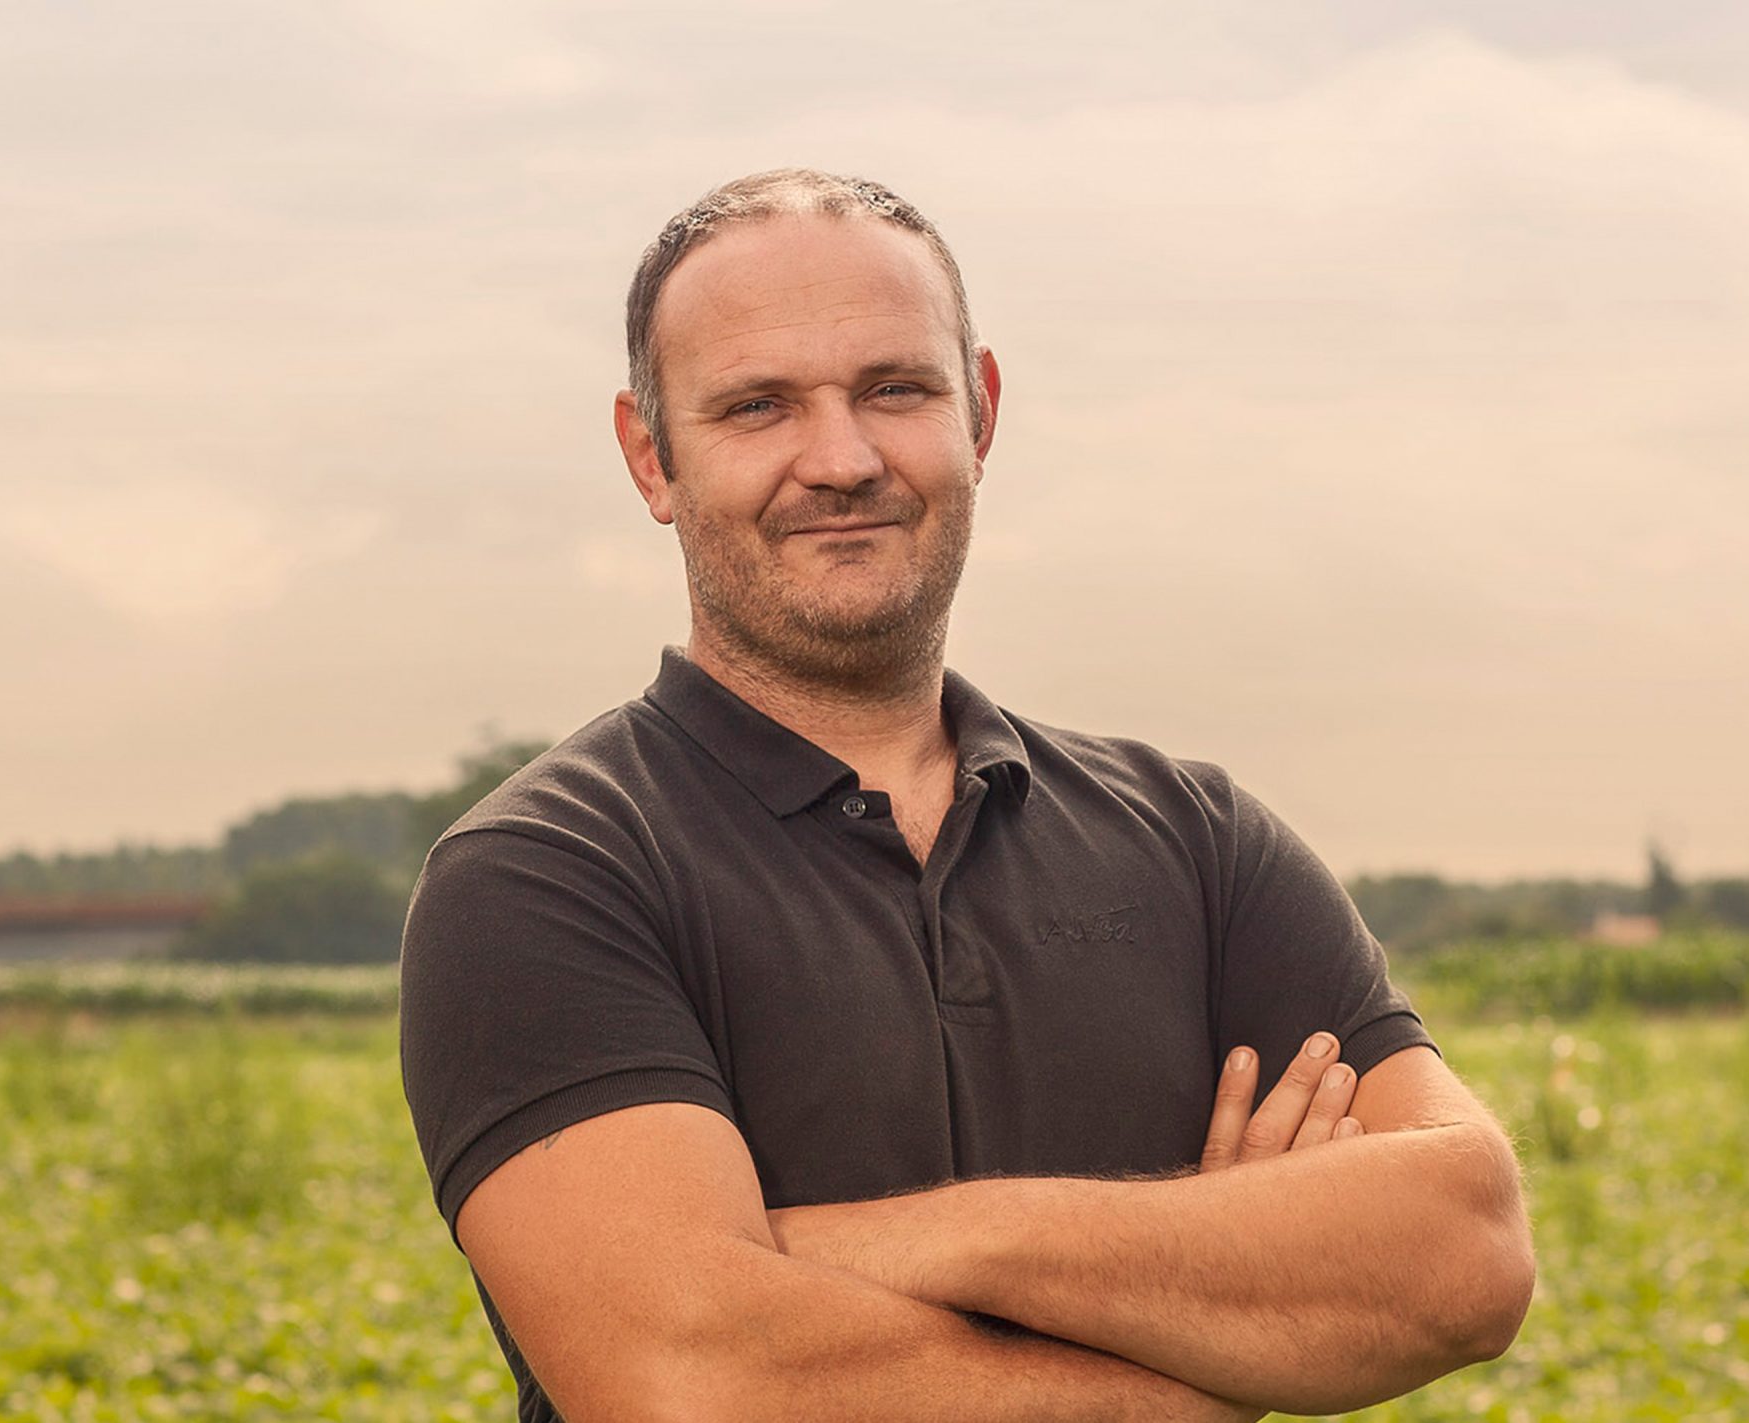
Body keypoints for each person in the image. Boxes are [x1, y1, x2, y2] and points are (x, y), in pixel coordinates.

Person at [399, 169, 1533, 1423]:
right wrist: (1208, 1320)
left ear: (979, 411)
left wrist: (912, 1245)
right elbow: (703, 1379)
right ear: (649, 455)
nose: (838, 459)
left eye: (895, 388)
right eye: (756, 406)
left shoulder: (1199, 843)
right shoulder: (545, 873)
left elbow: (1464, 1250)